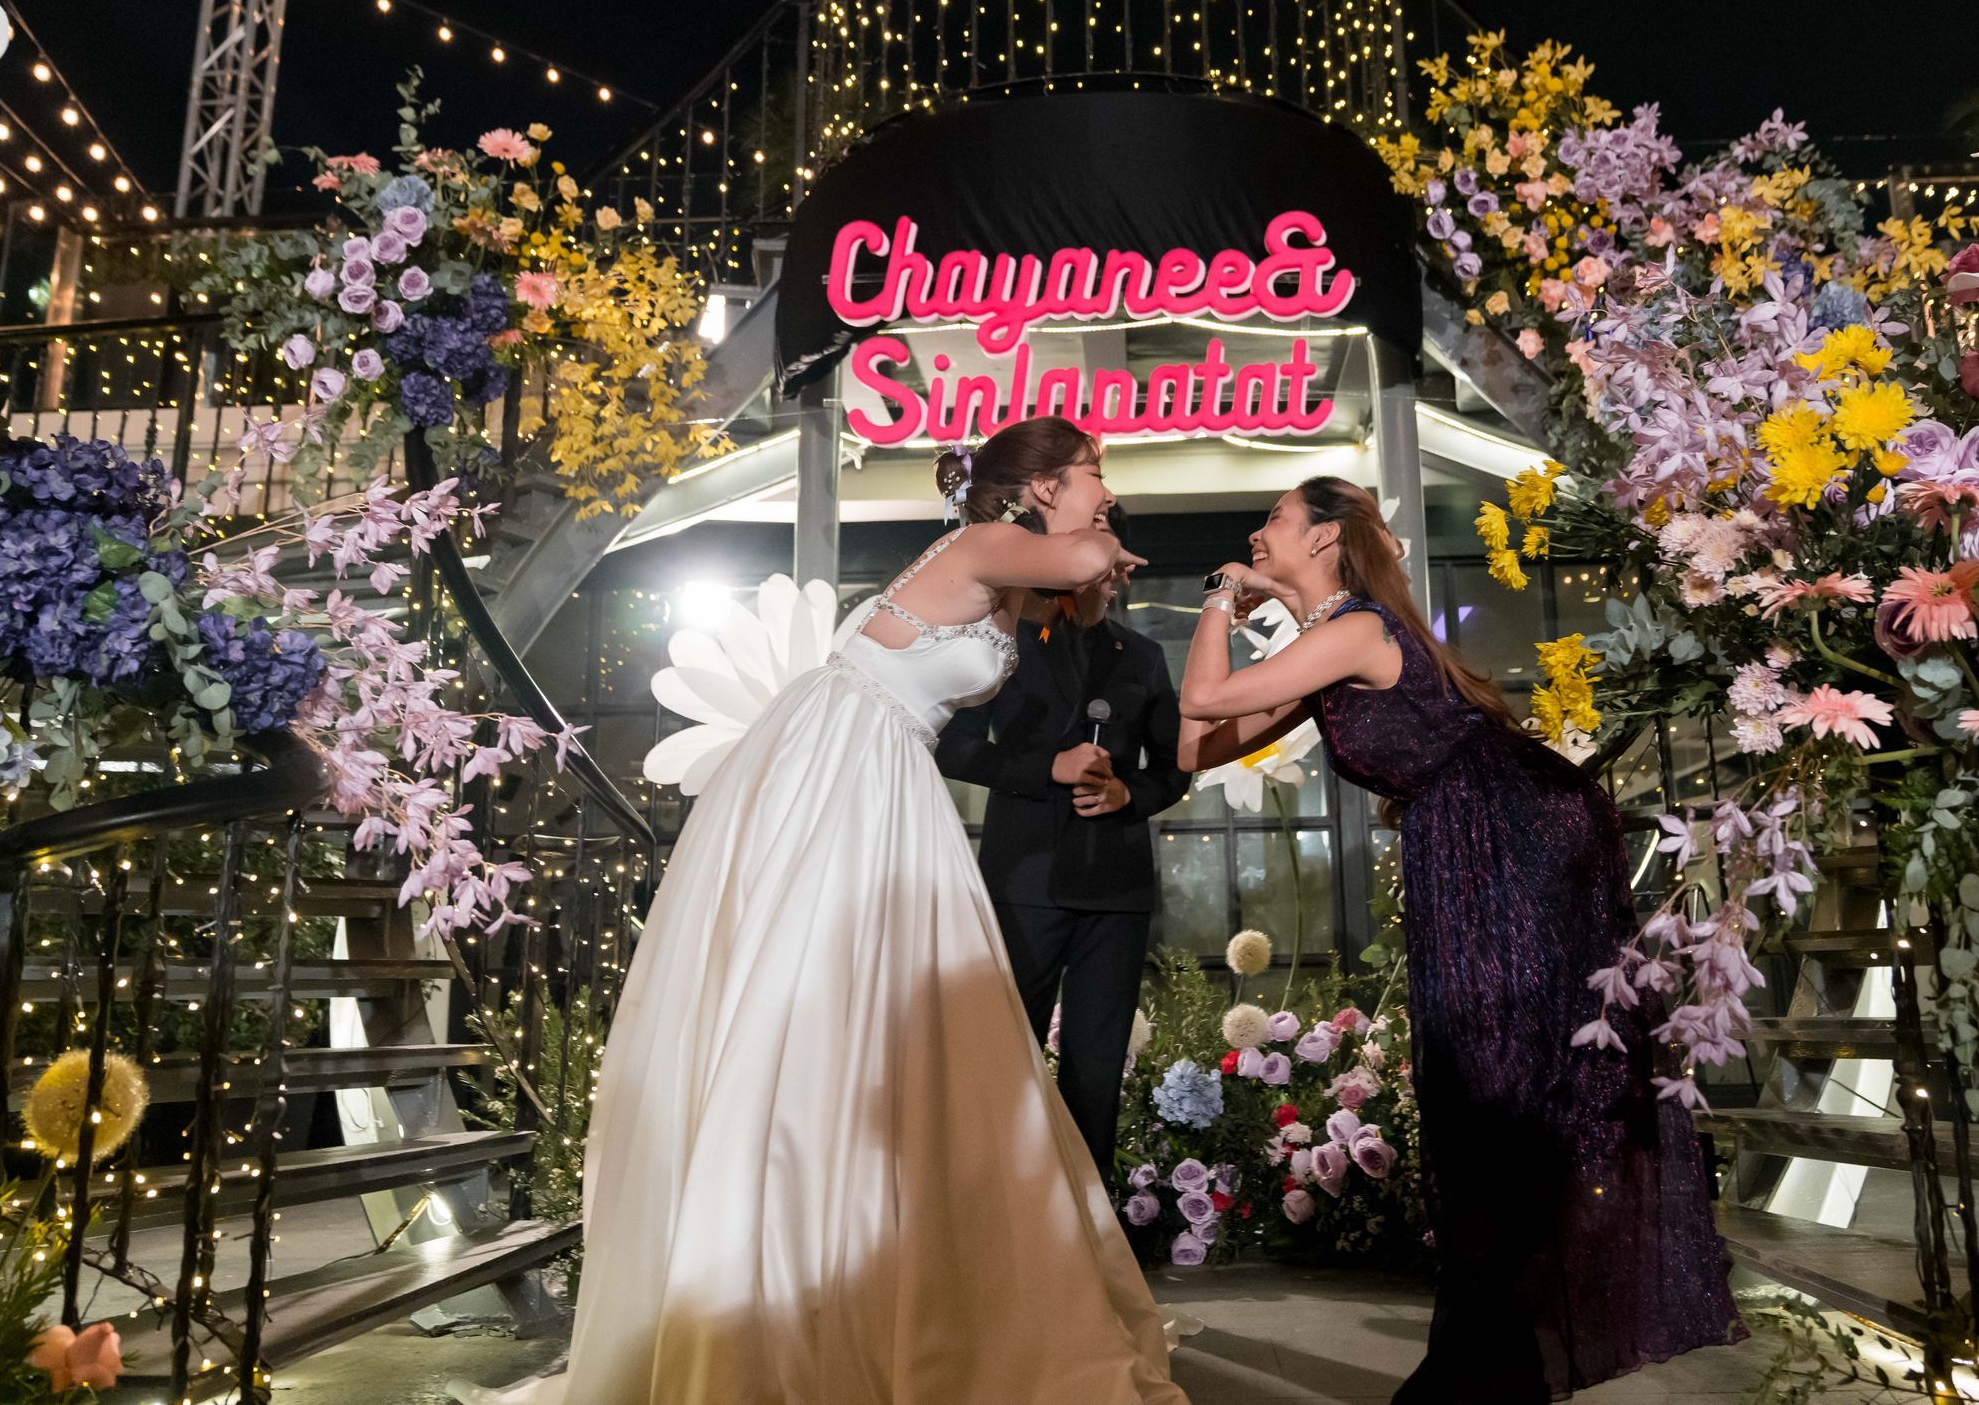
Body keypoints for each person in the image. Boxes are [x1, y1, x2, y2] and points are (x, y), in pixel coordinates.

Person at [493, 416, 1189, 1405]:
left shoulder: (1008, 577)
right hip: (847, 758)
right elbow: (1079, 557)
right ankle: (768, 1264)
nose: (1105, 492)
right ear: (1040, 488)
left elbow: (1070, 594)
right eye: (1092, 474)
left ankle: (867, 1258)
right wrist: (1100, 546)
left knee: (887, 1013)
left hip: (887, 765)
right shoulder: (985, 541)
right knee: (812, 982)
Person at [1173, 477, 1741, 1404]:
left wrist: (1220, 594)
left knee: (1498, 1087)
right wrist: (1258, 598)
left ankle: (1489, 1365)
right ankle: (1494, 1363)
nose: (1256, 530)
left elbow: (1203, 692)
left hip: (1511, 833)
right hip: (1469, 841)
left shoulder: (1355, 628)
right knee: (1480, 1095)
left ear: (1324, 538)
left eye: (1275, 517)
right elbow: (1198, 743)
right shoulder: (1329, 643)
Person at [937, 502, 1191, 1180]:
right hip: (1024, 884)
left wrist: (1127, 794)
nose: (1103, 573)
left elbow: (1174, 768)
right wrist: (1047, 767)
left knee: (1097, 1074)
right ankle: (998, 1213)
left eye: (1111, 558)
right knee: (1007, 1060)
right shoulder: (1005, 643)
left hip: (1117, 891)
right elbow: (954, 747)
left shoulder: (1143, 655)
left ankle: (1089, 1224)